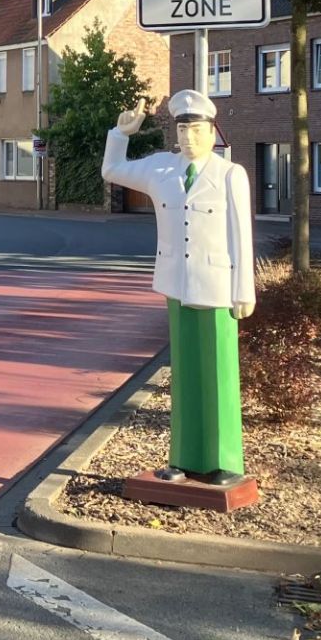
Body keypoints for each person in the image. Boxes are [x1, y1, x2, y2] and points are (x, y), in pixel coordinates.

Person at [102, 88, 256, 484]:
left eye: (196, 130)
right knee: (184, 374)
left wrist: (245, 290)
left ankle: (225, 462)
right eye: (183, 130)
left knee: (219, 371)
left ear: (212, 132)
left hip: (218, 286)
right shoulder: (162, 169)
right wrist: (122, 134)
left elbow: (242, 235)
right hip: (176, 283)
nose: (188, 138)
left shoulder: (229, 175)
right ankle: (184, 458)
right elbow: (113, 171)